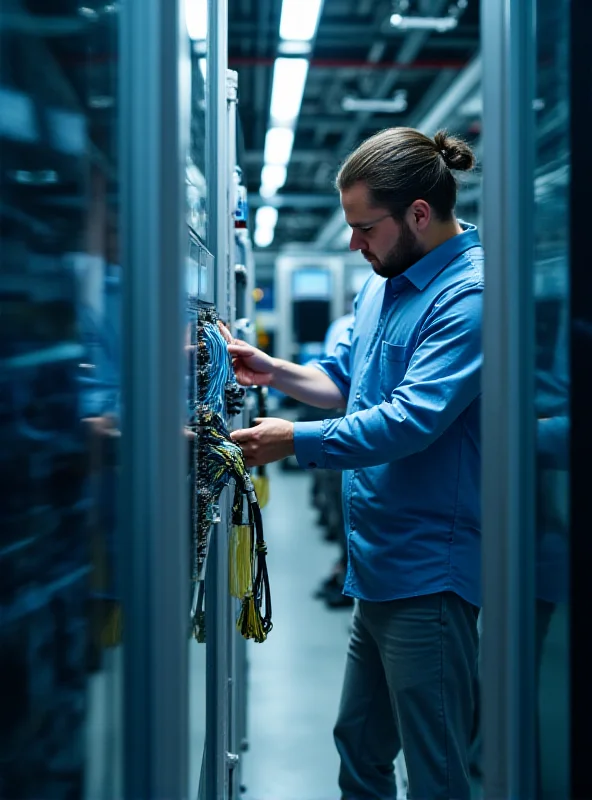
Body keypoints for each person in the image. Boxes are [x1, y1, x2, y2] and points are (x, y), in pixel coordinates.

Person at [224, 126, 482, 800]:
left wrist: (295, 442)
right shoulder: (385, 282)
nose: (352, 244)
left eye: (365, 227)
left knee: (437, 769)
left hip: (431, 572)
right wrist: (272, 370)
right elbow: (346, 381)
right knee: (359, 751)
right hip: (378, 567)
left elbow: (412, 420)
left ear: (418, 215)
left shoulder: (469, 297)